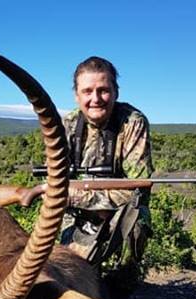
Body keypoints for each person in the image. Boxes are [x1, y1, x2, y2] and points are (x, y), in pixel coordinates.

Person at [60, 57, 152, 285]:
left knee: (137, 221)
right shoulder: (67, 124)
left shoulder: (132, 122)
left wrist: (84, 199)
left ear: (116, 92)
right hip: (76, 212)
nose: (95, 99)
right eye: (87, 91)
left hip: (119, 212)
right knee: (70, 270)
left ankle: (123, 284)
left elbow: (139, 188)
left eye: (103, 90)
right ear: (76, 95)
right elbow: (56, 184)